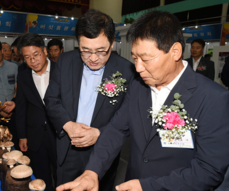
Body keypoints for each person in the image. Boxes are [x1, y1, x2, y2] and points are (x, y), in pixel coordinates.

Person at [57, 10, 229, 191]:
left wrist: (149, 186)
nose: (138, 68)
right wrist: (92, 171)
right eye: (135, 58)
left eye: (145, 59)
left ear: (175, 51)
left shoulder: (213, 98)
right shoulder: (139, 87)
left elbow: (208, 170)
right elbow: (116, 129)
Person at [44, 9, 135, 191]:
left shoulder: (127, 71)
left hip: (103, 153)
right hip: (68, 148)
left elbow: (128, 116)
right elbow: (51, 99)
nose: (93, 58)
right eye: (85, 51)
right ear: (78, 43)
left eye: (101, 51)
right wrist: (68, 125)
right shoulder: (65, 61)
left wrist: (100, 133)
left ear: (112, 43)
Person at [3, 33, 57, 191]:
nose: (33, 61)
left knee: (62, 173)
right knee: (40, 175)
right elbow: (21, 106)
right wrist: (22, 135)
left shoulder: (61, 71)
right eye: (27, 57)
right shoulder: (24, 74)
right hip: (35, 135)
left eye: (36, 55)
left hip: (59, 134)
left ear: (44, 51)